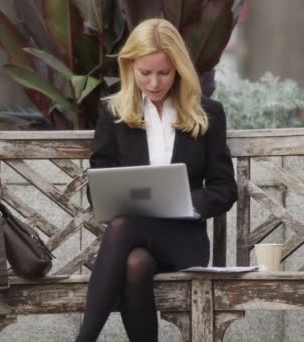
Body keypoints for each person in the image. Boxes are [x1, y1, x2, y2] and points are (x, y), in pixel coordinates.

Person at [76, 18, 237, 342]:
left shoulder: (208, 114)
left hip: (184, 241)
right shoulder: (115, 114)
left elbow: (224, 188)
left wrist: (188, 203)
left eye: (163, 73)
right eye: (144, 73)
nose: (153, 82)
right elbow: (99, 181)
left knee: (123, 226)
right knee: (135, 264)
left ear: (179, 69)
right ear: (130, 67)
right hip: (133, 245)